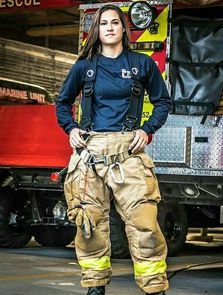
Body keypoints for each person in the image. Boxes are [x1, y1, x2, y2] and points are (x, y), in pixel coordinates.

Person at [56, 4, 172, 295]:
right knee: (89, 224)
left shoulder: (141, 64)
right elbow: (62, 103)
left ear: (123, 29)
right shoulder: (84, 66)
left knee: (145, 223)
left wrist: (146, 130)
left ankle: (155, 286)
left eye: (115, 22)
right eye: (103, 23)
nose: (109, 27)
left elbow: (163, 102)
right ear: (97, 30)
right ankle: (95, 286)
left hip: (128, 154)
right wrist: (71, 129)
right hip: (90, 153)